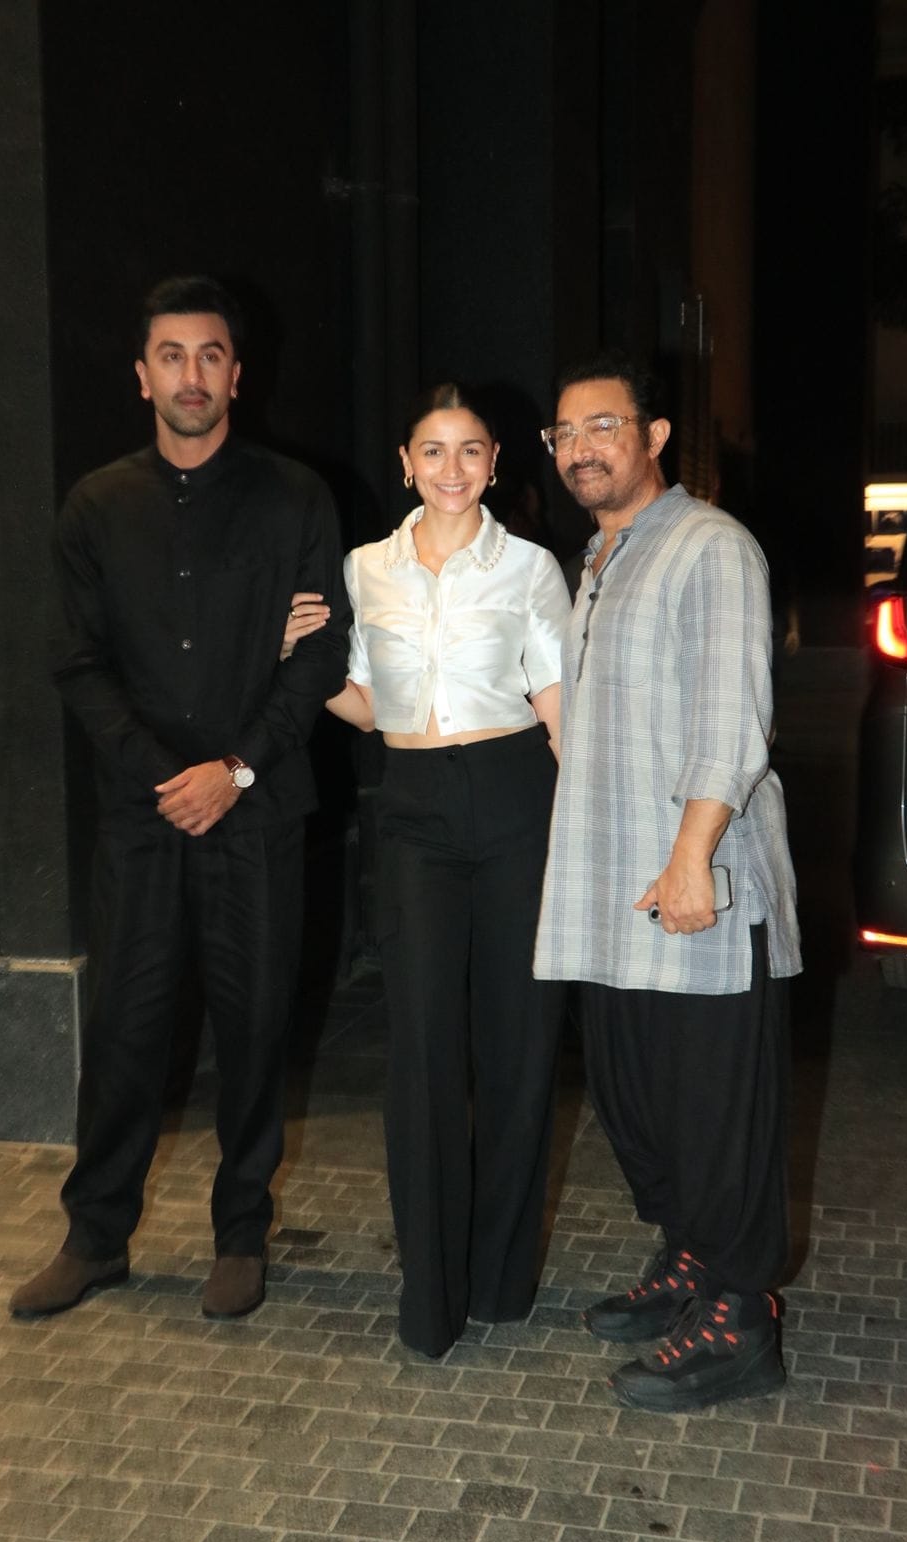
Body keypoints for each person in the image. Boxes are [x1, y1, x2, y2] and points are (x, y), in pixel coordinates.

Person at [10, 276, 350, 1321]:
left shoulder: (296, 497)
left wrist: (235, 768)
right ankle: (95, 1235)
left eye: (210, 355)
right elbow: (76, 661)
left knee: (254, 1027)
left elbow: (323, 650)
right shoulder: (95, 506)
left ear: (236, 376)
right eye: (171, 355)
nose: (190, 375)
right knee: (124, 1025)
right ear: (142, 373)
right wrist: (166, 776)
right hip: (143, 815)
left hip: (257, 808)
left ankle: (240, 1234)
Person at [534, 353, 801, 1412]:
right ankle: (692, 1259)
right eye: (565, 433)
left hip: (699, 889)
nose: (583, 447)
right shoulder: (598, 559)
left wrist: (693, 854)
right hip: (613, 895)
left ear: (652, 439)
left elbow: (733, 716)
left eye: (605, 425)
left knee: (716, 1111)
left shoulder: (708, 545)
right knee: (639, 1101)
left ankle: (743, 1316)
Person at [285, 383, 571, 1358]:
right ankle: (430, 1288)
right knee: (420, 1046)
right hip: (411, 804)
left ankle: (501, 1278)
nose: (452, 469)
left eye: (471, 451)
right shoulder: (365, 570)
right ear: (404, 463)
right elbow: (367, 705)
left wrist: (591, 828)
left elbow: (555, 701)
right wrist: (311, 671)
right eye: (432, 451)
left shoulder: (531, 569)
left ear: (495, 463)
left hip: (512, 795)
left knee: (519, 1039)